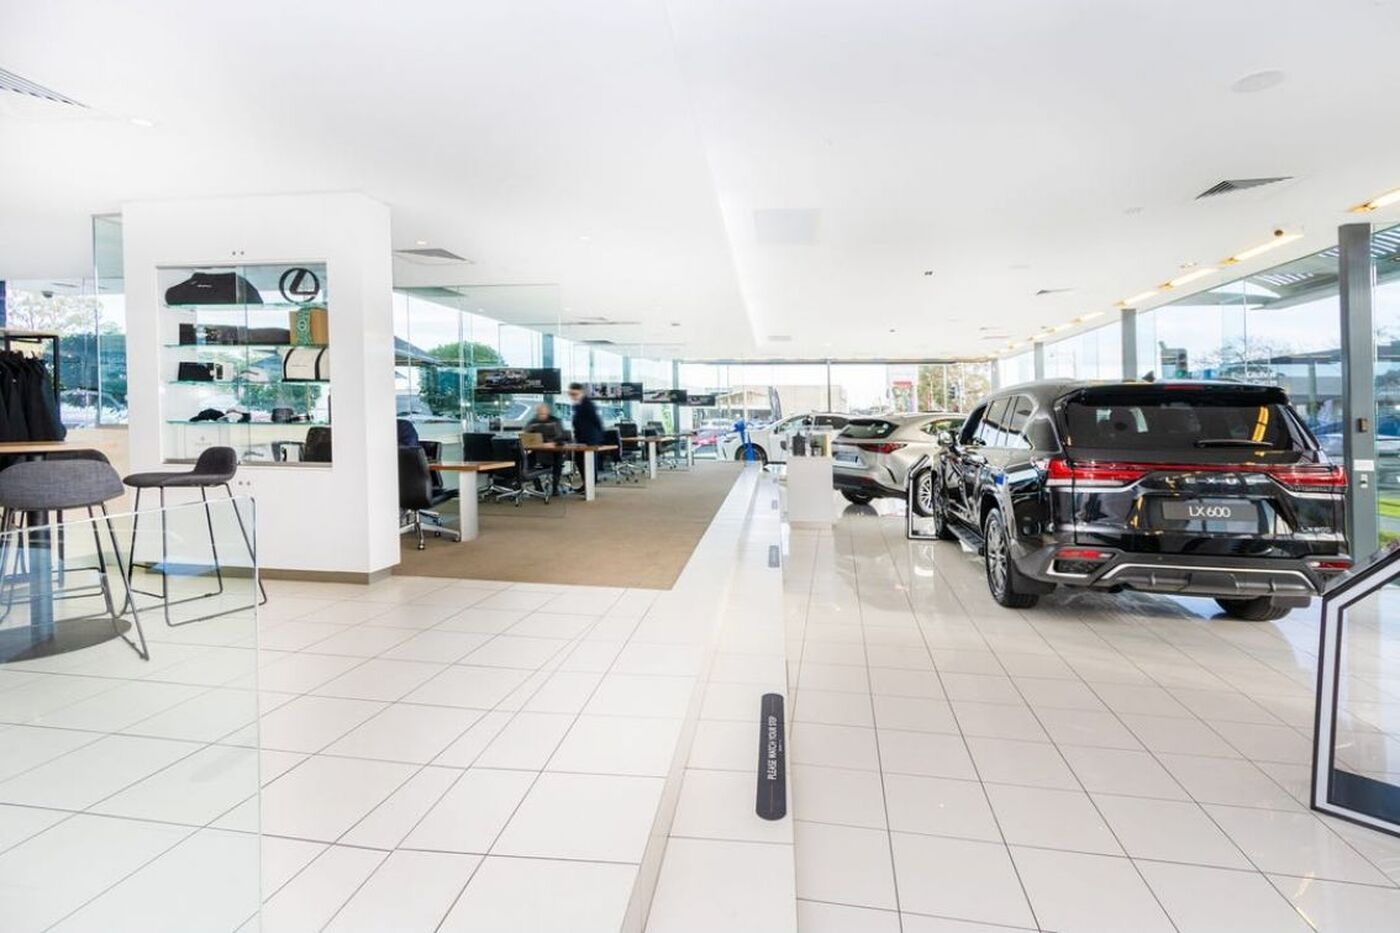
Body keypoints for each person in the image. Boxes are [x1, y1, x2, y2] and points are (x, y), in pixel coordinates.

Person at [568, 382, 606, 494]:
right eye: (571, 394)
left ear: (581, 392)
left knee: (588, 463)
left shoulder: (588, 404)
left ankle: (590, 485)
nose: (573, 396)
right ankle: (586, 484)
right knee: (580, 461)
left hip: (590, 439)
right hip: (581, 438)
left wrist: (600, 438)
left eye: (575, 394)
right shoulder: (577, 405)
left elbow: (597, 421)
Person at [525, 403, 564, 493]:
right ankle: (538, 487)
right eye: (540, 413)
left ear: (548, 412)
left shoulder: (555, 421)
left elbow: (561, 436)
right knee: (526, 463)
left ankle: (555, 487)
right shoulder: (533, 422)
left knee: (557, 462)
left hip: (554, 451)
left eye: (543, 413)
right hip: (538, 450)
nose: (541, 415)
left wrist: (553, 443)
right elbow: (526, 434)